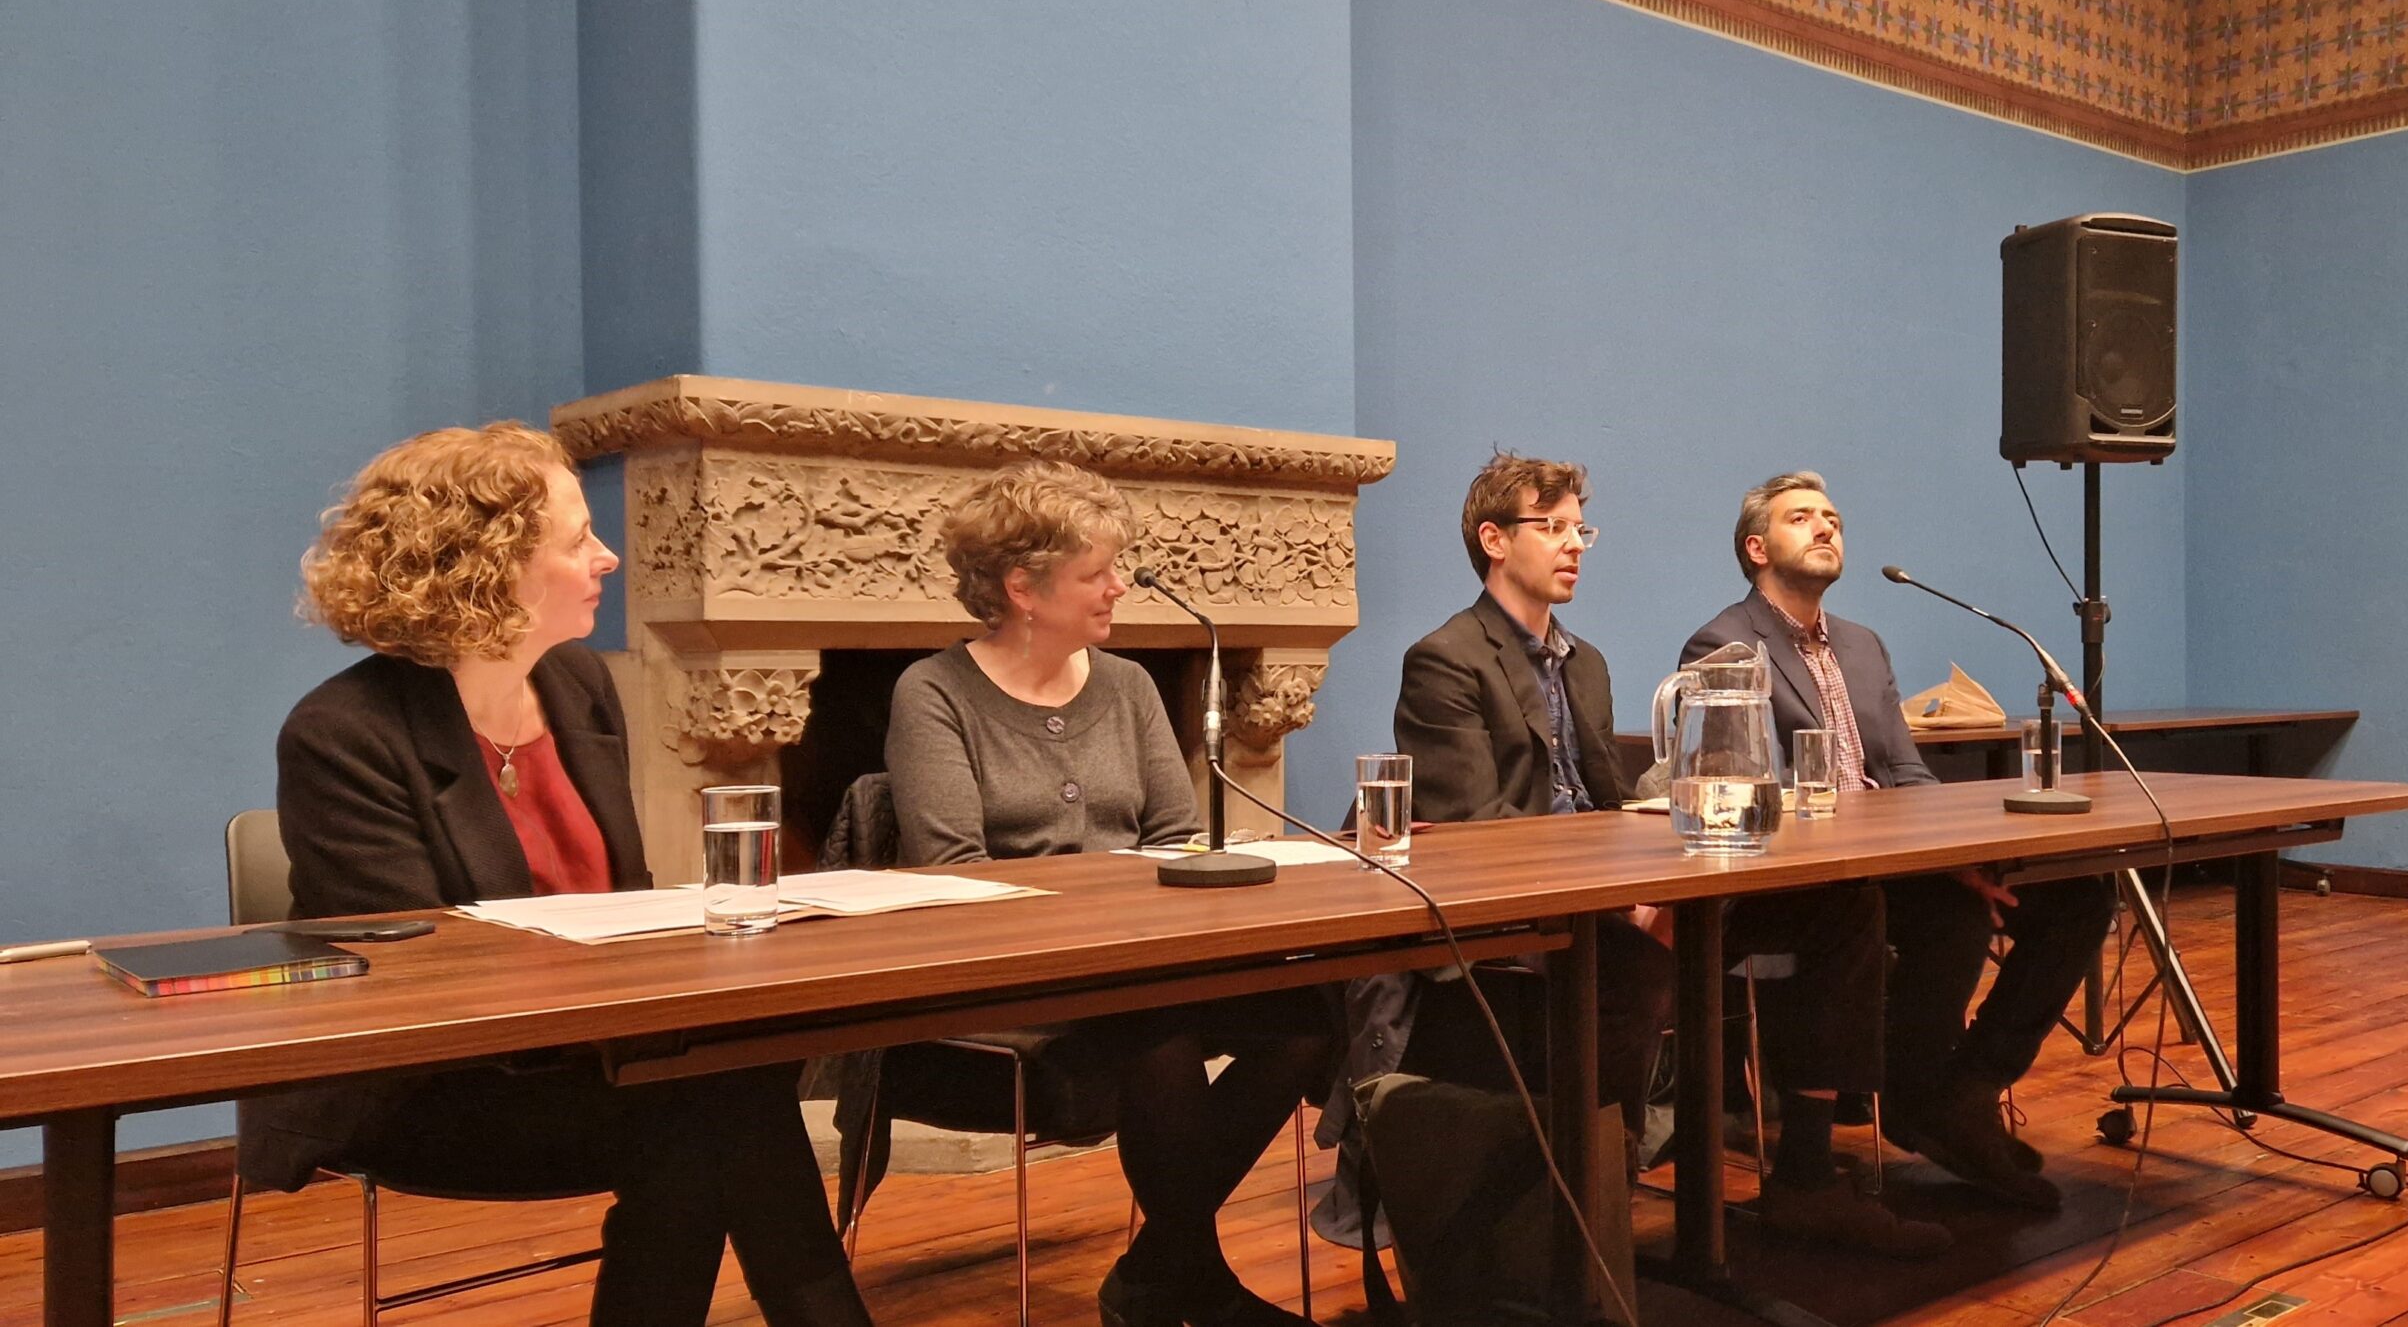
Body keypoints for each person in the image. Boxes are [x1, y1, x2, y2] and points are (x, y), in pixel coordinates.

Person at [235, 424, 872, 1326]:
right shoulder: (344, 733)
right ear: (489, 564)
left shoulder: (576, 685)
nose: (608, 555)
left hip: (594, 1055)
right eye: (578, 539)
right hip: (435, 1083)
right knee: (717, 1106)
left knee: (723, 1091)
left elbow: (627, 905)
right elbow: (424, 973)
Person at [1365, 451, 1946, 1257]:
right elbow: (1482, 834)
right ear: (1494, 540)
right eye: (1554, 527)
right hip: (1523, 918)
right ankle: (1589, 1219)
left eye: (1581, 529)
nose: (1575, 544)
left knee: (1841, 904)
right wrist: (1622, 893)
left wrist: (1660, 842)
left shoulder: (1587, 663)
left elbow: (1608, 802)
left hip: (1619, 895)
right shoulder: (1446, 659)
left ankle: (1807, 1178)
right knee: (1633, 963)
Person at [885, 460, 1338, 1327]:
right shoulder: (934, 693)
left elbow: (1176, 839)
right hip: (1011, 982)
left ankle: (1159, 1269)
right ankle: (1190, 1281)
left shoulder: (1127, 686)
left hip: (1144, 965)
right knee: (1160, 1038)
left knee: (1307, 1023)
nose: (1118, 587)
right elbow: (956, 873)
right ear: (1024, 586)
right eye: (1097, 573)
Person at [1685, 471, 2116, 1210]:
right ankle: (1915, 1099)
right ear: (1756, 547)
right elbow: (1742, 787)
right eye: (1801, 518)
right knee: (1951, 917)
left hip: (1900, 861)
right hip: (1810, 877)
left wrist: (1961, 855)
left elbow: (1906, 771)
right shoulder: (1724, 642)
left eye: (1833, 517)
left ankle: (1969, 1085)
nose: (1826, 526)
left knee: (2077, 893)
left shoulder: (1862, 644)